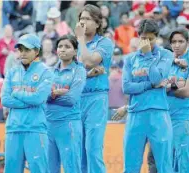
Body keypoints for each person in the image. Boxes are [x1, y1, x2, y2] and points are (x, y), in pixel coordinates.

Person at [121, 19, 174, 173]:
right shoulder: (130, 59)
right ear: (139, 37)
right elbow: (126, 87)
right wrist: (149, 85)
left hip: (159, 113)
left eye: (151, 39)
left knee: (164, 165)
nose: (147, 42)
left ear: (156, 38)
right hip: (135, 114)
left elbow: (158, 78)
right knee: (130, 166)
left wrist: (148, 55)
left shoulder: (166, 55)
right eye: (144, 38)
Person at [1, 33, 54, 173]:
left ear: (36, 51)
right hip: (13, 128)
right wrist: (29, 100)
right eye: (21, 49)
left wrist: (17, 93)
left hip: (35, 128)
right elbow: (5, 100)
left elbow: (39, 99)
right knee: (11, 170)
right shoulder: (12, 72)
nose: (23, 53)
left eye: (27, 49)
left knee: (39, 169)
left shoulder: (46, 72)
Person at [74, 4, 114, 173]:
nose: (83, 22)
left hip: (96, 98)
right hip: (77, 99)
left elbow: (89, 61)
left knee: (93, 149)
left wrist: (81, 40)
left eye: (88, 19)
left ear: (98, 24)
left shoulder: (104, 43)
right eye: (81, 19)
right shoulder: (76, 44)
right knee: (79, 152)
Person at [46, 34, 86, 173]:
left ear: (75, 51)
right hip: (48, 125)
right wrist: (55, 93)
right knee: (49, 169)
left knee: (72, 167)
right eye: (60, 46)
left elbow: (71, 99)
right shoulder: (49, 71)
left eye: (67, 46)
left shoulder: (79, 71)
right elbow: (41, 97)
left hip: (68, 125)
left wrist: (50, 96)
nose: (63, 49)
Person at [167, 28, 189, 173]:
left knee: (186, 164)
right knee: (169, 165)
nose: (176, 45)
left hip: (185, 118)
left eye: (181, 41)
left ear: (188, 43)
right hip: (166, 119)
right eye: (173, 42)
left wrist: (168, 88)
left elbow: (188, 91)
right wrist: (173, 87)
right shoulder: (167, 64)